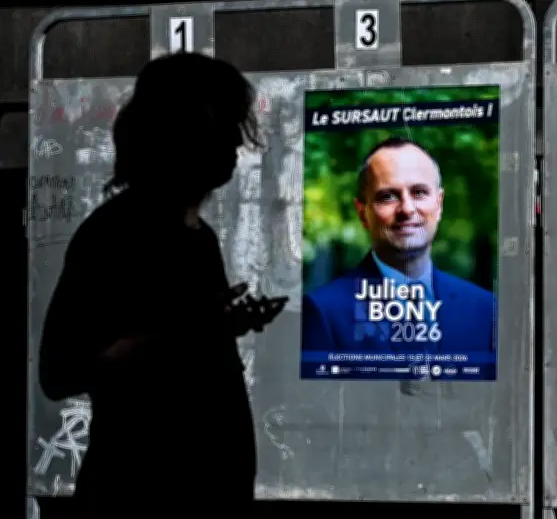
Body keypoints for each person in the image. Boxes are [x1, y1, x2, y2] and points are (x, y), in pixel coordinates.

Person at [37, 52, 287, 518]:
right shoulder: (116, 235)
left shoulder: (197, 238)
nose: (237, 141)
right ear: (186, 132)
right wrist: (196, 329)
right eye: (226, 124)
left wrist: (217, 325)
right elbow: (60, 371)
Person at [302, 137, 496, 354]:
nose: (407, 209)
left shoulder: (485, 310)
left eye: (419, 192)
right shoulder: (323, 312)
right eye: (388, 196)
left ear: (439, 205)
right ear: (362, 213)